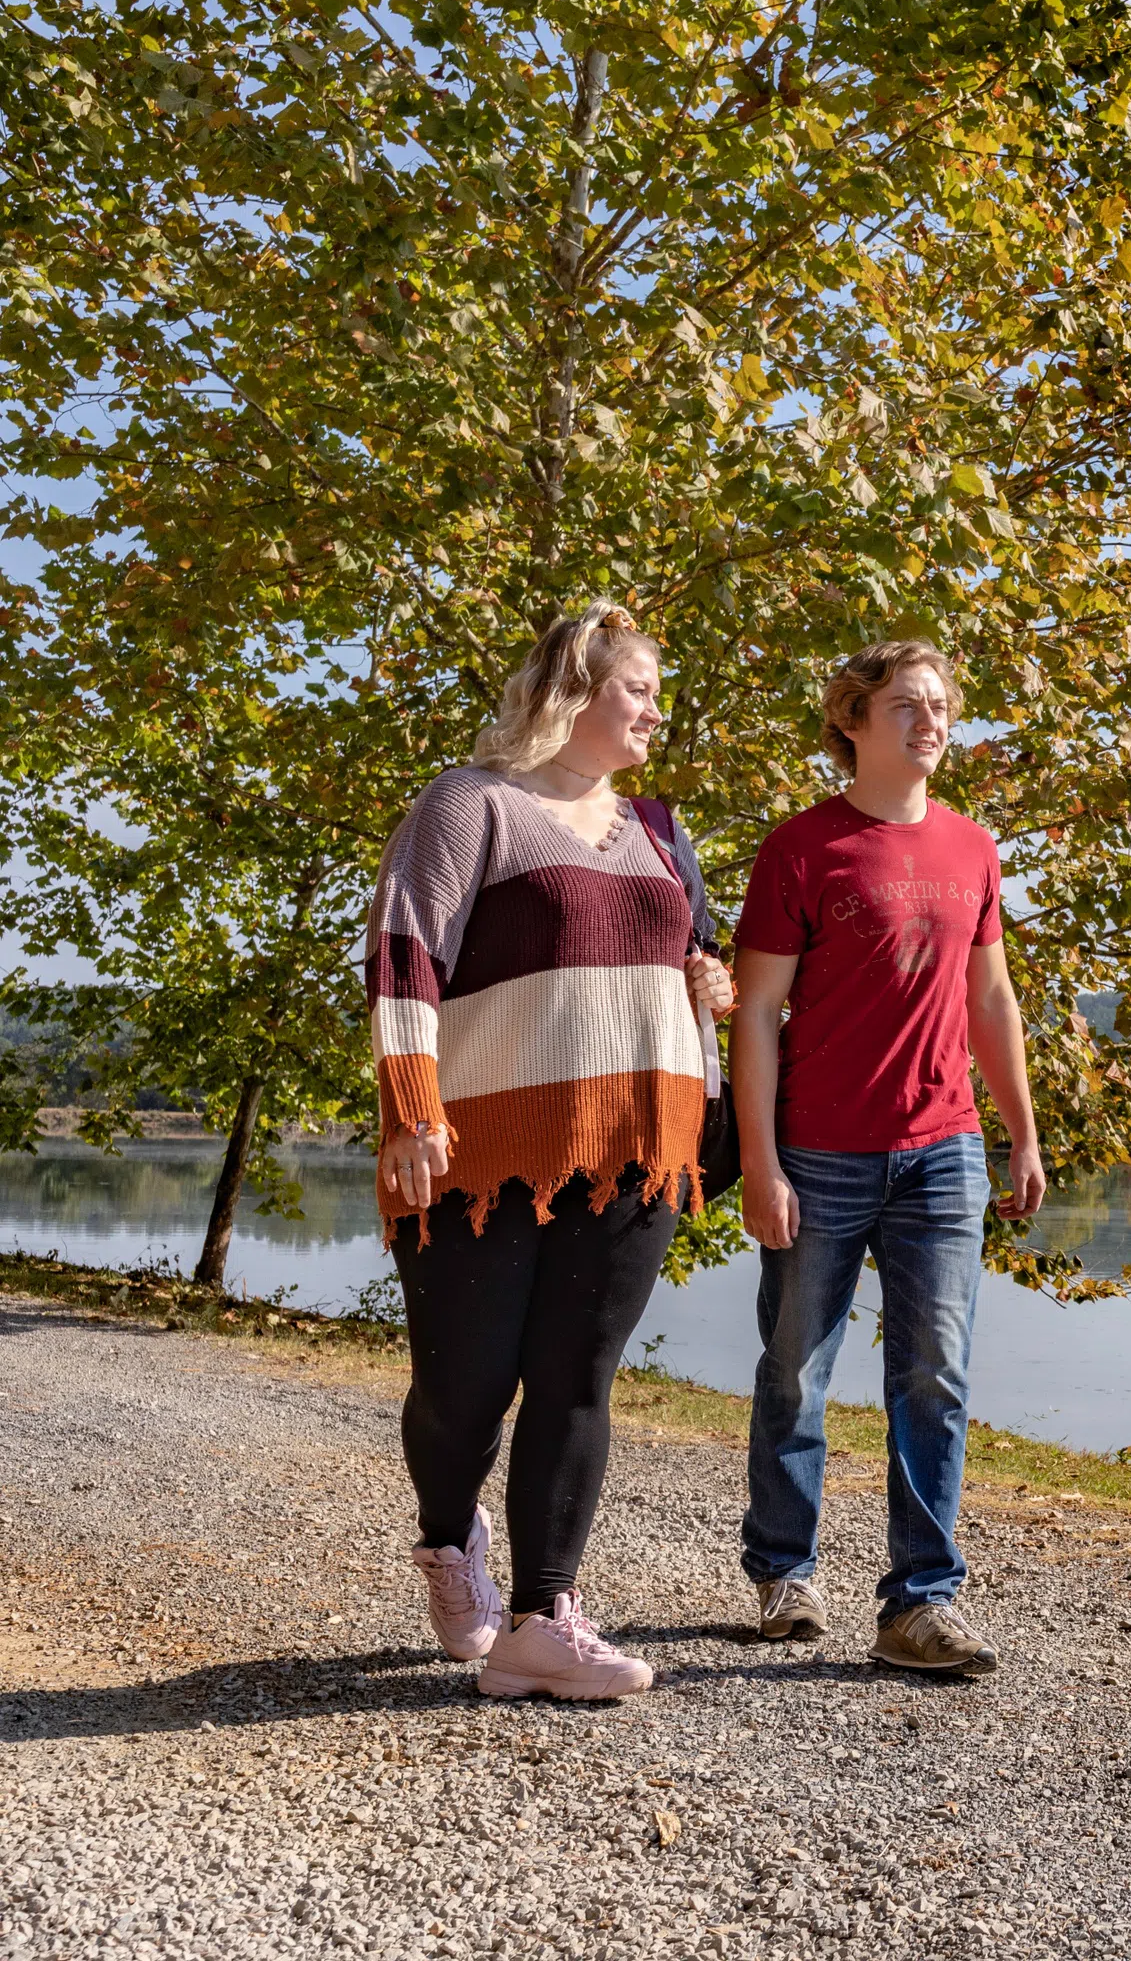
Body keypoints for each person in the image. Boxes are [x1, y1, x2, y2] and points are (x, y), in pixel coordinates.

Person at [375, 601, 733, 1701]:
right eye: (639, 686)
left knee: (577, 1379)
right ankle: (449, 1539)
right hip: (478, 1151)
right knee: (465, 1388)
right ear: (573, 688)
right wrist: (409, 1107)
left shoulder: (661, 828)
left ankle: (544, 1616)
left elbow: (699, 953)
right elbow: (405, 955)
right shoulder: (470, 804)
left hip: (636, 1145)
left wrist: (708, 981)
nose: (655, 710)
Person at [732, 640, 1047, 1672]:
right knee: (795, 1368)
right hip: (818, 1153)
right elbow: (758, 1014)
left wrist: (1022, 1131)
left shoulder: (974, 849)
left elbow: (990, 998)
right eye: (907, 703)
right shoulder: (801, 850)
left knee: (936, 1375)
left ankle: (920, 1604)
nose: (932, 720)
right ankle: (786, 1572)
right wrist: (763, 1161)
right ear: (852, 720)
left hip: (942, 1151)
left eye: (943, 704)